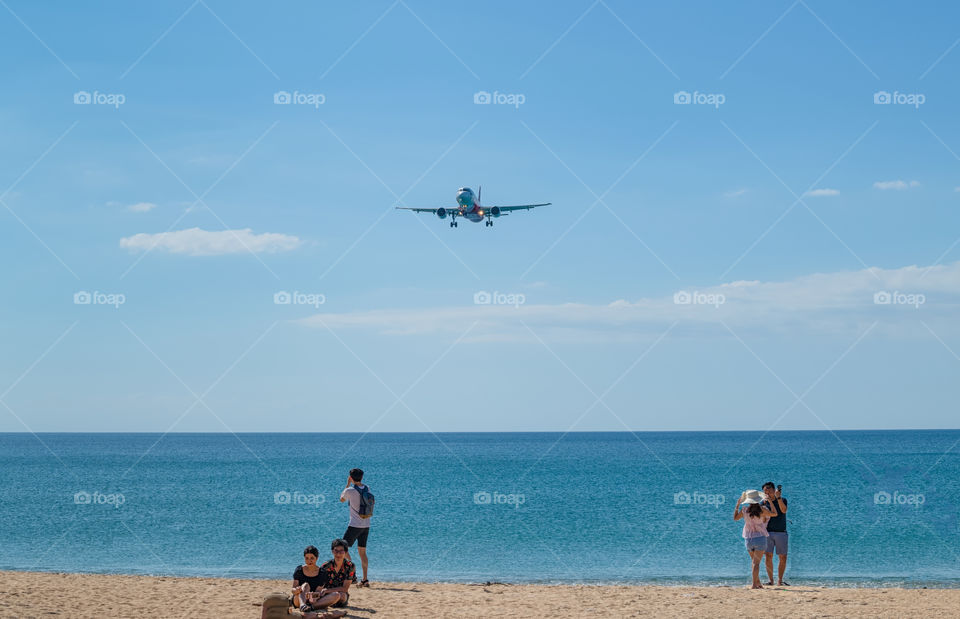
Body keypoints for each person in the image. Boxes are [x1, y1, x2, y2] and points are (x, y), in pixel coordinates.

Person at [733, 489, 778, 589]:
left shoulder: (744, 510)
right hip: (760, 538)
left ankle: (758, 584)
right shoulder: (762, 510)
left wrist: (737, 505)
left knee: (754, 562)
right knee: (756, 563)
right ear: (758, 500)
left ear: (748, 501)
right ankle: (754, 584)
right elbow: (775, 513)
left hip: (748, 539)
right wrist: (770, 501)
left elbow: (735, 518)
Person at [290, 545, 347, 618]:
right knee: (306, 585)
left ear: (316, 558)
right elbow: (293, 590)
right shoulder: (299, 570)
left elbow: (318, 592)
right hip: (299, 599)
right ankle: (302, 605)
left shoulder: (322, 573)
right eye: (306, 558)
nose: (309, 561)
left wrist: (314, 597)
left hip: (313, 601)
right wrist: (297, 590)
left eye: (312, 558)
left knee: (337, 595)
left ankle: (311, 607)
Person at [339, 468, 371, 586]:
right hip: (366, 524)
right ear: (362, 477)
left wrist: (347, 484)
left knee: (342, 548)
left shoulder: (349, 490)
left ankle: (352, 575)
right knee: (362, 552)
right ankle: (365, 579)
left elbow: (341, 500)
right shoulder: (367, 488)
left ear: (351, 478)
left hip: (354, 525)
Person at [761, 481, 789, 586]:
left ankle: (780, 581)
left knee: (783, 557)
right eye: (764, 490)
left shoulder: (782, 500)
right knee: (768, 556)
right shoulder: (763, 502)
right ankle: (771, 580)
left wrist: (778, 498)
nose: (766, 492)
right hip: (768, 532)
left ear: (774, 489)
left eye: (768, 489)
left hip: (781, 531)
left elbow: (784, 510)